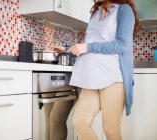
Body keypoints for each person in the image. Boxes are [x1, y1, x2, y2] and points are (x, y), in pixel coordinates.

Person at [51, 0, 139, 139]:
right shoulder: (95, 13)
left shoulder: (124, 10)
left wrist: (88, 47)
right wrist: (68, 49)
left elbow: (122, 45)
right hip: (90, 78)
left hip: (112, 78)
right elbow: (91, 43)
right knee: (80, 122)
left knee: (111, 130)